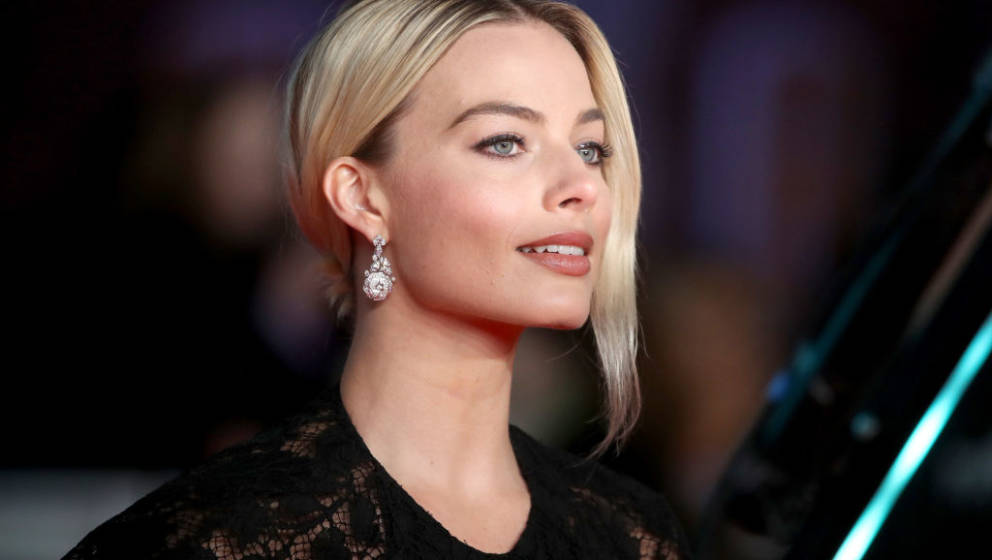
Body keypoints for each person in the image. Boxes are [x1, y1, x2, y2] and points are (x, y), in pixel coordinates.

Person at [63, 0, 690, 558]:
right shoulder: (216, 538)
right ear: (362, 197)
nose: (583, 187)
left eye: (591, 149)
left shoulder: (632, 534)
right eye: (505, 142)